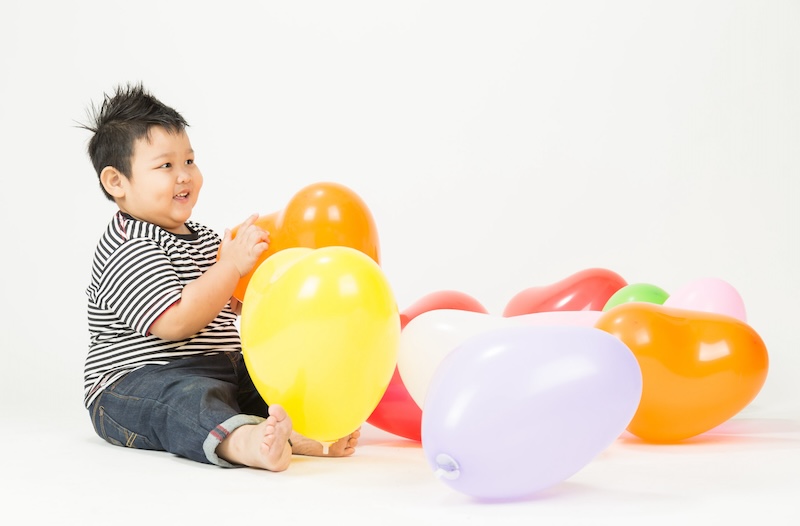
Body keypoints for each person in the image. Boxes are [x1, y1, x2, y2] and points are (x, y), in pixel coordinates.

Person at [80, 82, 359, 471]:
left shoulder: (207, 239)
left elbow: (232, 302)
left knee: (268, 379)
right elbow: (176, 321)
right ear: (117, 182)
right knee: (184, 401)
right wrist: (230, 267)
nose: (184, 176)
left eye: (189, 162)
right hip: (139, 382)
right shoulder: (127, 246)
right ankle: (244, 443)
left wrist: (266, 284)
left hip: (221, 367)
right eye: (166, 166)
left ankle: (304, 430)